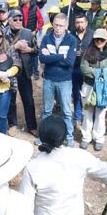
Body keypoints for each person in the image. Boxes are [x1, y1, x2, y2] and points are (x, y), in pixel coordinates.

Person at [39, 13, 77, 147]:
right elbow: (42, 59)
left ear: (66, 26)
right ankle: (42, 136)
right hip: (49, 79)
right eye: (56, 25)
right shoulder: (47, 38)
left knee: (66, 111)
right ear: (52, 24)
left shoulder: (71, 40)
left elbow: (70, 62)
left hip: (64, 80)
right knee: (47, 110)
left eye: (61, 26)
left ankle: (69, 136)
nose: (58, 28)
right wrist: (62, 56)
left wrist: (52, 57)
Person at [3, 9, 38, 137]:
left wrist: (29, 49)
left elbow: (36, 50)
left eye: (20, 19)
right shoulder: (2, 34)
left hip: (24, 72)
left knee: (28, 99)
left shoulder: (28, 33)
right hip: (10, 71)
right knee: (11, 100)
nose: (18, 22)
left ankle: (32, 126)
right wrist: (15, 47)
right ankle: (12, 125)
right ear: (9, 21)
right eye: (15, 19)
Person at [80, 29, 107, 151]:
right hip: (89, 86)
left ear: (106, 40)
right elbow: (84, 68)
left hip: (103, 87)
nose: (99, 41)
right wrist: (101, 73)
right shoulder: (87, 52)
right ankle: (86, 137)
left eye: (102, 39)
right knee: (88, 112)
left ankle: (99, 138)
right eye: (97, 39)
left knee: (100, 114)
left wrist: (95, 72)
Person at [71, 14, 94, 127]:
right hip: (75, 69)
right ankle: (78, 117)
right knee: (76, 94)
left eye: (81, 22)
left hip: (89, 69)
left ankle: (89, 119)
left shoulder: (92, 35)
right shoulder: (70, 35)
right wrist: (73, 53)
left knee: (88, 95)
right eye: (77, 22)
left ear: (86, 23)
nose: (79, 24)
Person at [20, 0, 44, 80]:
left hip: (31, 34)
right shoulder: (20, 8)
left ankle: (36, 73)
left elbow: (41, 21)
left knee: (33, 53)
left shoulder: (35, 8)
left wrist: (36, 31)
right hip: (21, 34)